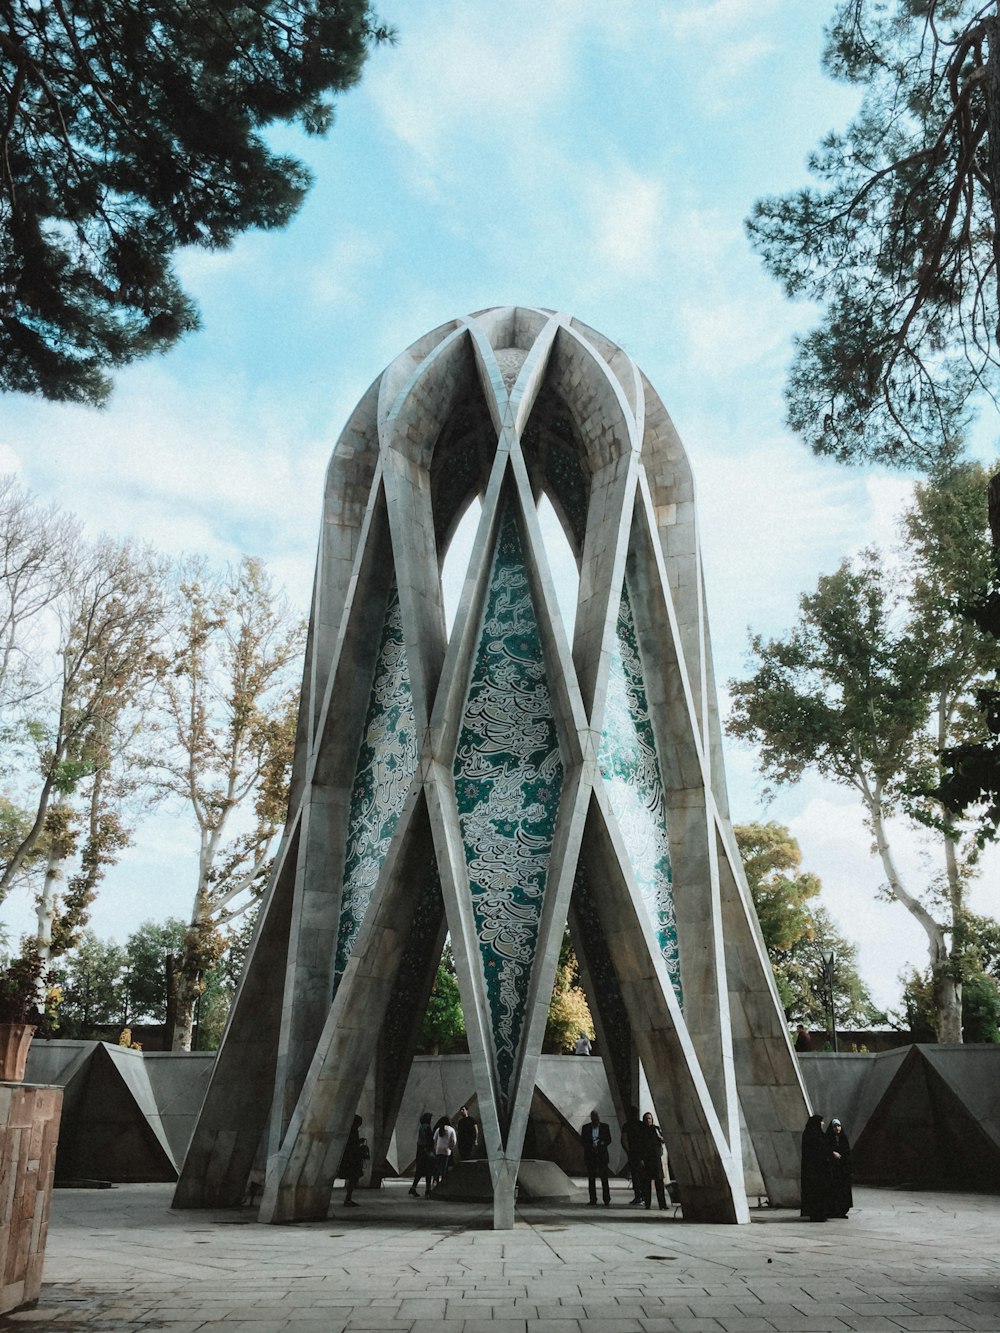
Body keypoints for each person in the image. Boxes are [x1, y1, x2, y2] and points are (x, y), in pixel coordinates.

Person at [800, 1113, 830, 1222]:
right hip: (815, 1170)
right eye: (821, 1121)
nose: (822, 1123)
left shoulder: (817, 1134)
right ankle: (817, 1214)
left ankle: (821, 1213)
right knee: (816, 1193)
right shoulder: (812, 1135)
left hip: (820, 1169)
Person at [580, 1109, 612, 1206]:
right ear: (591, 1119)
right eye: (594, 1119)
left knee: (604, 1178)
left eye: (597, 1119)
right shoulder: (585, 1128)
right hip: (591, 1156)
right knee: (591, 1178)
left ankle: (606, 1199)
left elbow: (608, 1139)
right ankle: (593, 1199)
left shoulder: (605, 1127)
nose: (596, 1121)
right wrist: (591, 1146)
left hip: (602, 1155)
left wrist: (601, 1143)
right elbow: (583, 1141)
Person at [637, 1111, 667, 1210]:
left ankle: (662, 1204)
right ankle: (647, 1203)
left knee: (659, 1182)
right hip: (646, 1159)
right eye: (646, 1119)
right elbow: (639, 1146)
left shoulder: (656, 1129)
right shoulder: (641, 1131)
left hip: (656, 1158)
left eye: (649, 1118)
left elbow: (662, 1140)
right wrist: (641, 1159)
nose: (648, 1120)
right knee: (647, 1183)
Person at [826, 1117, 853, 1218]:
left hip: (843, 1170)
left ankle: (842, 1211)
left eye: (839, 1126)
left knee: (843, 1191)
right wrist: (832, 1153)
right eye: (835, 1126)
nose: (837, 1128)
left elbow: (847, 1154)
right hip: (833, 1170)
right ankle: (833, 1210)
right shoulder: (828, 1139)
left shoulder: (843, 1139)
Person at [339, 1114, 367, 1208]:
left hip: (350, 1158)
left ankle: (348, 1198)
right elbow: (352, 1145)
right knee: (353, 1177)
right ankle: (348, 1198)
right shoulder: (353, 1132)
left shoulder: (351, 1131)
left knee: (353, 1177)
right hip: (352, 1159)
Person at [408, 1111, 435, 1197]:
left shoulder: (421, 1127)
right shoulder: (427, 1127)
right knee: (428, 1171)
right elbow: (430, 1139)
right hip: (426, 1151)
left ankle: (413, 1187)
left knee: (419, 1171)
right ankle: (428, 1189)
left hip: (420, 1151)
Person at [621, 1105, 644, 1205]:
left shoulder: (627, 1125)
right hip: (641, 1153)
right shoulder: (641, 1125)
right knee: (642, 1175)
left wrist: (628, 1151)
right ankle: (642, 1195)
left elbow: (624, 1139)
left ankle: (638, 1196)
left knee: (635, 1175)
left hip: (633, 1153)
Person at [432, 1114, 456, 1184]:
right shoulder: (451, 1129)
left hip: (438, 1150)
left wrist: (435, 1148)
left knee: (438, 1165)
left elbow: (434, 1139)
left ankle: (435, 1180)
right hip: (446, 1150)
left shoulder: (439, 1129)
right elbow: (454, 1141)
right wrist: (451, 1148)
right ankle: (443, 1181)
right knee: (444, 1166)